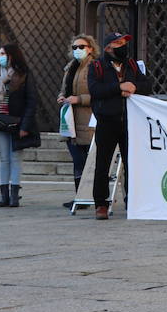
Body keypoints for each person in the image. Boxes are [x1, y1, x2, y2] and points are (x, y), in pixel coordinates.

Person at [87, 32, 152, 220]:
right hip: (107, 121)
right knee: (102, 164)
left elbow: (147, 85)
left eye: (124, 42)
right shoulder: (97, 66)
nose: (123, 45)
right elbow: (95, 90)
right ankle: (101, 203)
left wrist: (133, 87)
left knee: (132, 163)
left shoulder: (131, 65)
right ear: (108, 47)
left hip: (129, 121)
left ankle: (133, 200)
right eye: (118, 43)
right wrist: (118, 88)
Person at [0, 41, 39, 208]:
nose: (0, 57)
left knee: (16, 158)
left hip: (17, 123)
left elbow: (31, 101)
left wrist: (25, 126)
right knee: (4, 159)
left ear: (12, 55)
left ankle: (14, 195)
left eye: (3, 54)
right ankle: (3, 195)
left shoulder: (24, 75)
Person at [58, 34, 98, 209]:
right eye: (75, 47)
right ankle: (80, 197)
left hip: (88, 120)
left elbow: (99, 94)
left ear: (90, 48)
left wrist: (79, 99)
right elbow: (63, 89)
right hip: (71, 120)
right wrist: (62, 97)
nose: (78, 50)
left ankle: (93, 196)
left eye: (81, 47)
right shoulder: (70, 67)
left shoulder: (95, 67)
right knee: (77, 160)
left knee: (88, 162)